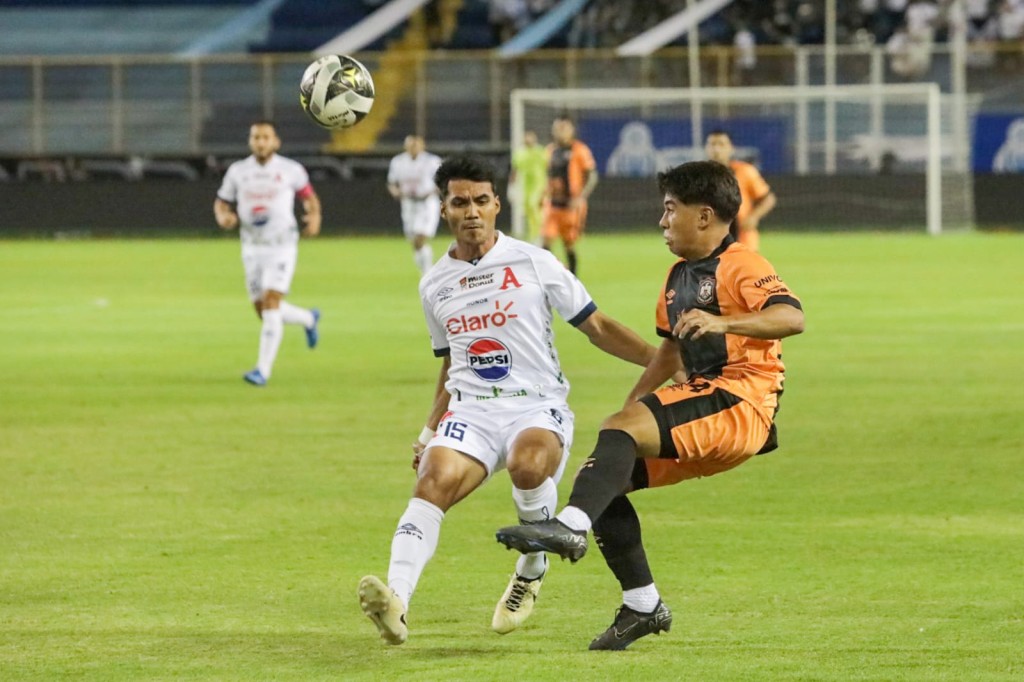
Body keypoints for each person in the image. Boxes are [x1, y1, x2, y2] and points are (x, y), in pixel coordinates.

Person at [496, 161, 805, 651]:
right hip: (710, 402)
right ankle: (643, 604)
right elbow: (670, 352)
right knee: (602, 480)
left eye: (669, 210)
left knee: (607, 457)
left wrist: (724, 325)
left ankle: (568, 528)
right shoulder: (678, 276)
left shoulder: (743, 264)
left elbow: (791, 317)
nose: (662, 221)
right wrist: (627, 415)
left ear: (704, 217)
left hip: (741, 400)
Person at [357, 154, 665, 645]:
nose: (472, 211)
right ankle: (396, 602)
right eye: (461, 202)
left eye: (481, 200)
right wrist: (428, 430)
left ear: (497, 204)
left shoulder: (534, 261)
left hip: (535, 404)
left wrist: (662, 362)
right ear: (444, 210)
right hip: (472, 411)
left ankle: (532, 565)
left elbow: (598, 326)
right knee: (431, 481)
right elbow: (450, 364)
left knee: (528, 464)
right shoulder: (434, 283)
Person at [213, 120, 321, 387]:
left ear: (276, 142)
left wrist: (315, 216)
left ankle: (262, 370)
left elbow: (309, 197)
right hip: (251, 246)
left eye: (265, 137)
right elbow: (221, 202)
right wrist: (223, 217)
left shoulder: (290, 170)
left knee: (272, 302)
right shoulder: (238, 172)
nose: (260, 142)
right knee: (263, 311)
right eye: (256, 137)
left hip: (282, 245)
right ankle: (308, 318)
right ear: (251, 142)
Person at [704, 130, 776, 253]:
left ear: (731, 148)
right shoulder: (699, 175)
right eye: (712, 144)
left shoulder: (745, 171)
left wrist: (753, 217)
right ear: (706, 148)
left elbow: (768, 198)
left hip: (744, 241)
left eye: (721, 144)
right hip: (710, 243)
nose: (716, 149)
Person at [543, 115, 598, 275]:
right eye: (557, 128)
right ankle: (550, 275)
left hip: (571, 207)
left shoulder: (579, 150)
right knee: (545, 243)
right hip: (553, 205)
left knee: (569, 244)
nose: (560, 132)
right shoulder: (550, 151)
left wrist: (581, 197)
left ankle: (573, 279)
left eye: (564, 128)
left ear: (571, 130)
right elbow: (548, 176)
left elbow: (592, 176)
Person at [387, 135, 443, 275]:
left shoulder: (432, 161)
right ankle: (426, 263)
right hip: (408, 204)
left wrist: (433, 191)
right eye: (410, 145)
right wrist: (396, 192)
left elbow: (443, 181)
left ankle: (427, 271)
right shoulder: (398, 161)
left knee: (420, 236)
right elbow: (392, 182)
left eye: (416, 145)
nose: (413, 148)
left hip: (427, 203)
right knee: (415, 242)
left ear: (422, 146)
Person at [509, 130, 548, 244]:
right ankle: (533, 235)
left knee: (534, 206)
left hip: (539, 185)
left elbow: (548, 167)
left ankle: (540, 234)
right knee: (528, 211)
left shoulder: (541, 151)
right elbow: (514, 170)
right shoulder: (519, 153)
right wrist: (511, 187)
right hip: (525, 187)